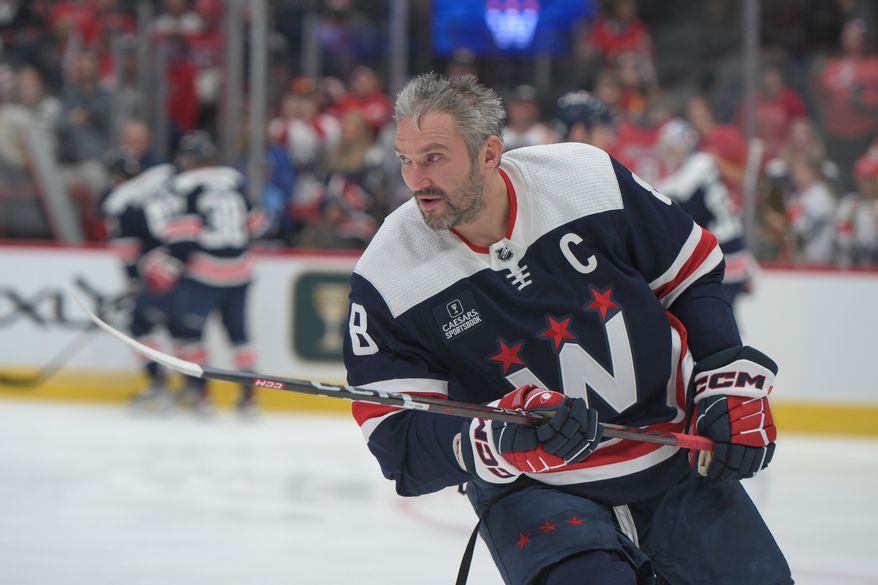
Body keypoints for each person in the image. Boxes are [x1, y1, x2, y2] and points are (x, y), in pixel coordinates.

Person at [343, 73, 791, 585]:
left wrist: (722, 373)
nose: (416, 180)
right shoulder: (386, 275)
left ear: (490, 153)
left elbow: (689, 275)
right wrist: (495, 436)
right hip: (533, 488)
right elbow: (399, 445)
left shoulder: (585, 177)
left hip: (672, 453)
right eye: (406, 159)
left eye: (434, 158)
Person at [159, 130, 269, 415]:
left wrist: (172, 264)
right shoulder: (234, 183)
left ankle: (201, 395)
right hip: (241, 272)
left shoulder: (187, 187)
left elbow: (183, 241)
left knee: (191, 333)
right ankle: (249, 398)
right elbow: (259, 224)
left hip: (205, 274)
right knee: (239, 336)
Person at [100, 148, 178, 409]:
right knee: (183, 328)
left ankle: (158, 385)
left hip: (159, 271)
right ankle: (197, 390)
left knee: (139, 326)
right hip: (190, 261)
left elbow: (127, 251)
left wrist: (133, 283)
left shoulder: (120, 202)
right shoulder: (163, 179)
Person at [654, 119, 755, 308]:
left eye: (672, 147)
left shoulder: (699, 165)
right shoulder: (693, 168)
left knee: (719, 323)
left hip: (726, 251)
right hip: (723, 251)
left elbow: (677, 201)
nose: (667, 153)